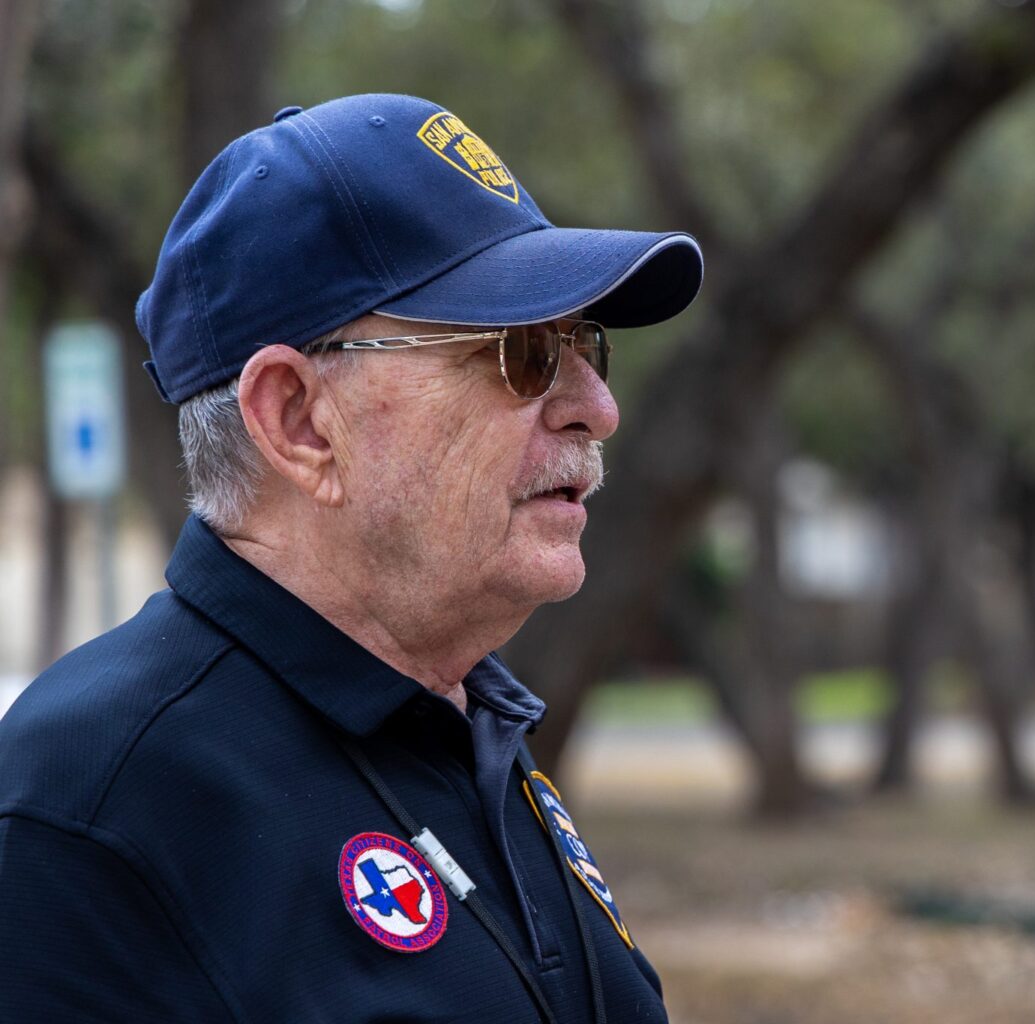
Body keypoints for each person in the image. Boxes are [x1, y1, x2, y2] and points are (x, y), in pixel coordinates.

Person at [0, 94, 703, 1022]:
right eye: (524, 351)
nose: (593, 409)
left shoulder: (466, 720)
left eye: (585, 347)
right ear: (297, 419)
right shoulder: (91, 812)